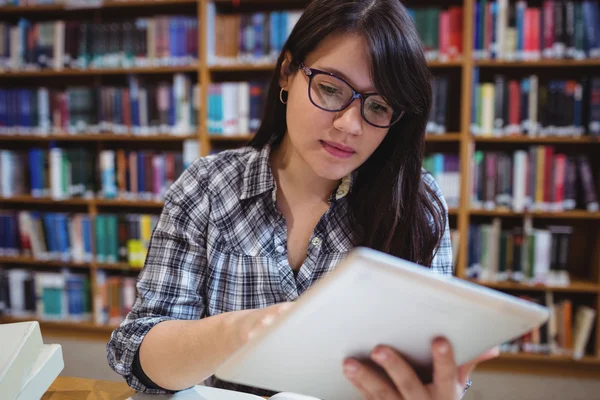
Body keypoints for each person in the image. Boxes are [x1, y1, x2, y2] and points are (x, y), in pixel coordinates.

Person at [107, 0, 499, 398]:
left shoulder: (414, 203)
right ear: (288, 73)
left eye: (378, 106)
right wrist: (246, 330)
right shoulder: (209, 186)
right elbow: (138, 352)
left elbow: (433, 370)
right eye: (330, 89)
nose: (349, 125)